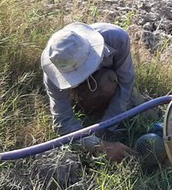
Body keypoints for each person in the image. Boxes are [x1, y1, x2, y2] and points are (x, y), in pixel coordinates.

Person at [42, 22, 138, 161]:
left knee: (111, 83)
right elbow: (62, 122)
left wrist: (105, 129)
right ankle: (88, 107)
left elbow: (126, 85)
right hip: (80, 96)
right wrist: (98, 145)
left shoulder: (116, 39)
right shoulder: (53, 72)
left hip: (106, 82)